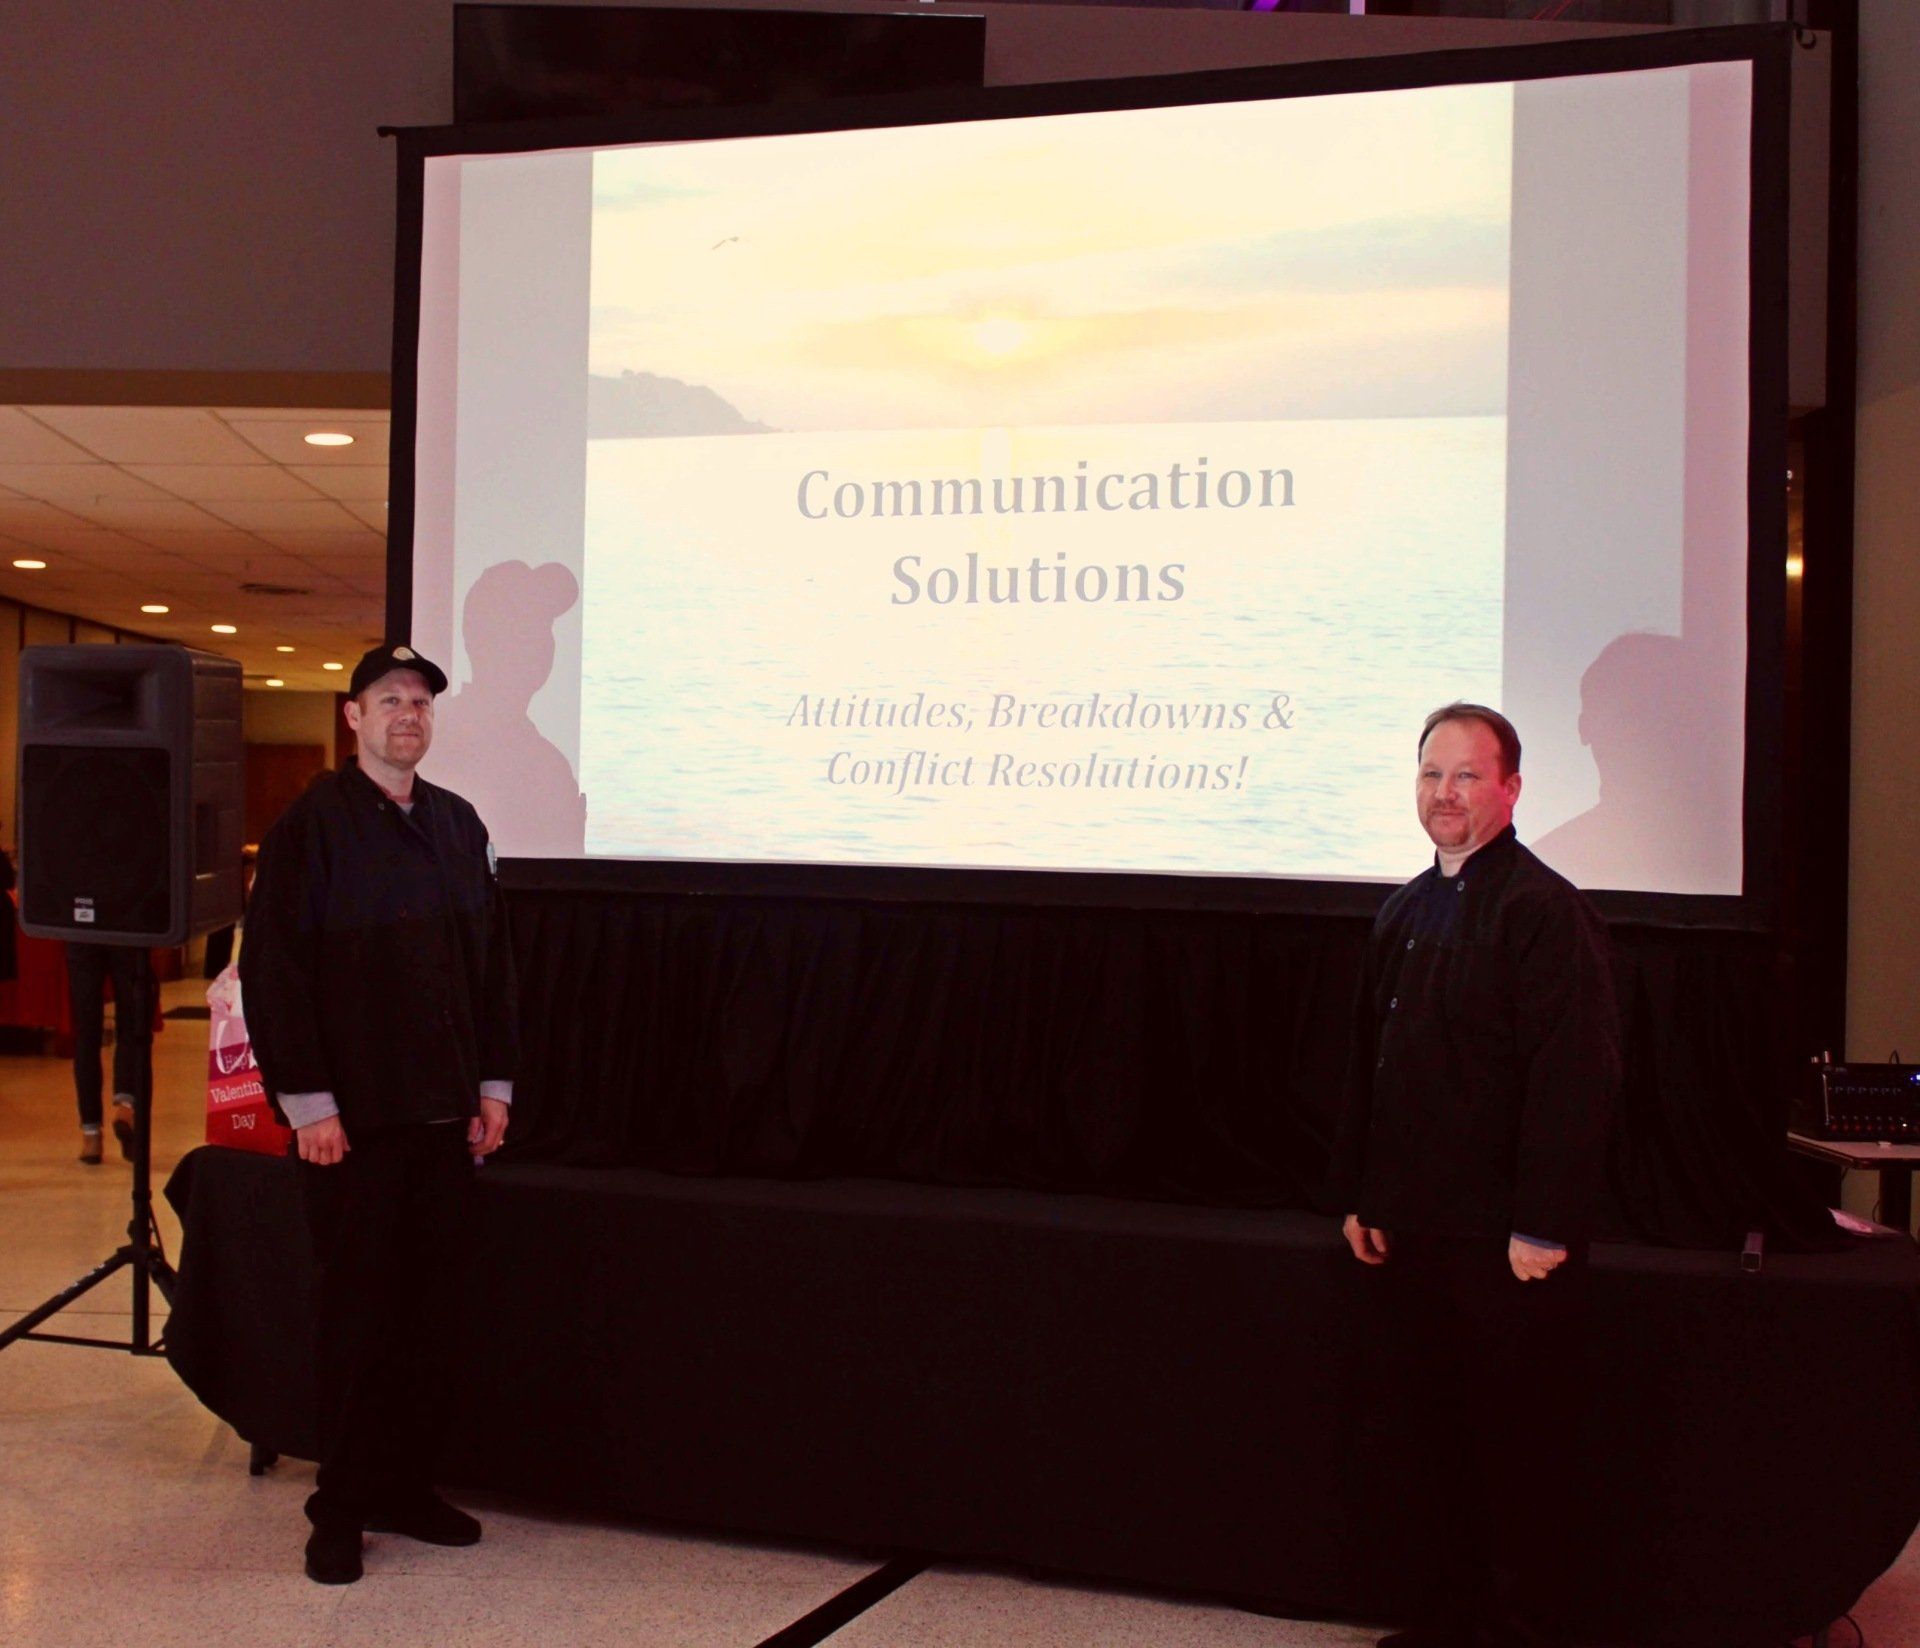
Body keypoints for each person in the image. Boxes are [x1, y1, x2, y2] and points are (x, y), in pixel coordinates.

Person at [1329, 703, 1620, 1648]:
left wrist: (1543, 1222)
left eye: (1465, 775)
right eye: (1430, 774)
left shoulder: (1543, 911)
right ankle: (1445, 1626)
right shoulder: (1406, 908)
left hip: (1505, 1244)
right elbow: (1376, 1066)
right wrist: (1363, 1196)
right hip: (1412, 1230)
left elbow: (1573, 1076)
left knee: (1515, 1452)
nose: (1444, 793)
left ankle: (1520, 1636)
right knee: (1430, 1440)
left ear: (1512, 789)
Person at [240, 642, 518, 1586]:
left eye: (421, 702)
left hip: (443, 1121)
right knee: (358, 1323)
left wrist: (493, 1085)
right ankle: (341, 1509)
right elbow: (276, 972)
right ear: (353, 716)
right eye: (390, 699)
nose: (409, 714)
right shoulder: (310, 828)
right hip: (353, 1130)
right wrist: (309, 1104)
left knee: (429, 1321)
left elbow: (491, 966)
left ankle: (405, 1489)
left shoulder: (457, 824)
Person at [64, 942, 156, 1167]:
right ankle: (127, 1107)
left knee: (86, 1034)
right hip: (127, 933)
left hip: (82, 931)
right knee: (133, 1025)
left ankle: (91, 1136)